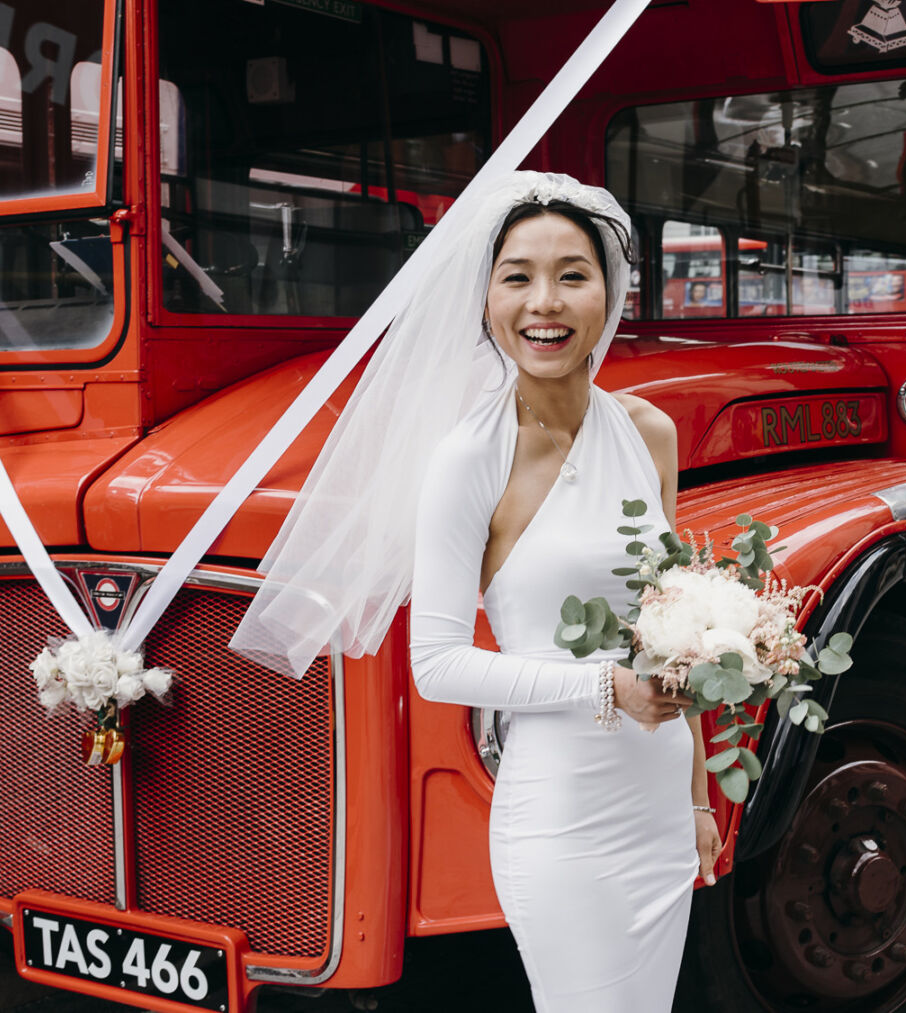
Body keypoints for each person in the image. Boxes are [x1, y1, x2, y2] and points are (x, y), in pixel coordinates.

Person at [231, 173, 718, 1012]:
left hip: (661, 810)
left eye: (573, 273)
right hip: (561, 817)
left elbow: (667, 629)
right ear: (486, 296)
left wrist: (698, 795)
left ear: (610, 289)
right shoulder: (468, 457)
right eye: (518, 275)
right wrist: (607, 685)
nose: (545, 301)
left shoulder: (649, 432)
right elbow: (437, 664)